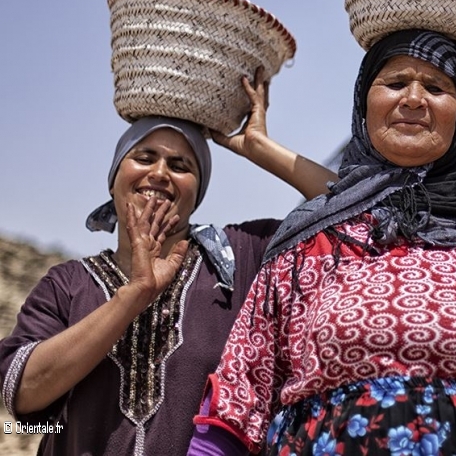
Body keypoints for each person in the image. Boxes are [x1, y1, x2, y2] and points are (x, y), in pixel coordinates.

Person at [189, 29, 456, 456]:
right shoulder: (307, 239)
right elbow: (238, 398)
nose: (415, 99)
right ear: (364, 103)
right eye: (396, 83)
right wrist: (259, 146)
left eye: (437, 87)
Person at [0, 71, 337, 456]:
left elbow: (354, 207)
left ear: (198, 192)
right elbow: (22, 398)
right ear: (113, 180)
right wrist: (133, 296)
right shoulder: (69, 284)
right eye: (144, 157)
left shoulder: (240, 259)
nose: (159, 174)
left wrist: (260, 147)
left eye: (180, 165)